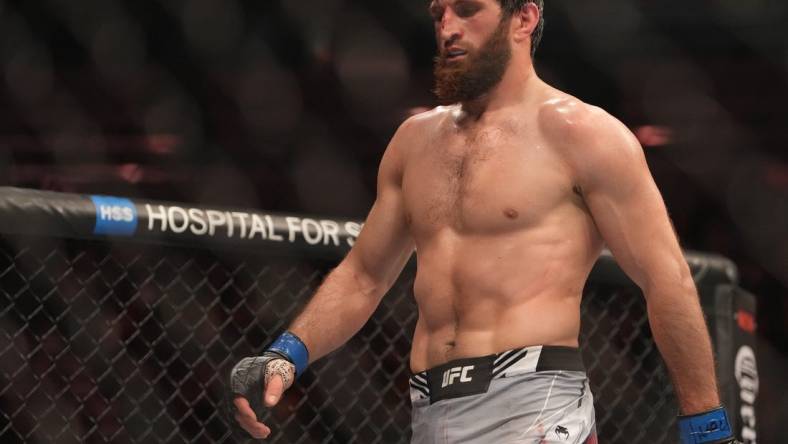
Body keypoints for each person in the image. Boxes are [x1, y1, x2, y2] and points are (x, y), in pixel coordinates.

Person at [231, 1, 740, 443]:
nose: (448, 27)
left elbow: (665, 277)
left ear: (524, 19)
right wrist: (285, 356)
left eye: (468, 9)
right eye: (438, 13)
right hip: (428, 409)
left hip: (535, 404)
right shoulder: (413, 142)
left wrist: (705, 428)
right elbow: (364, 276)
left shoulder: (584, 135)